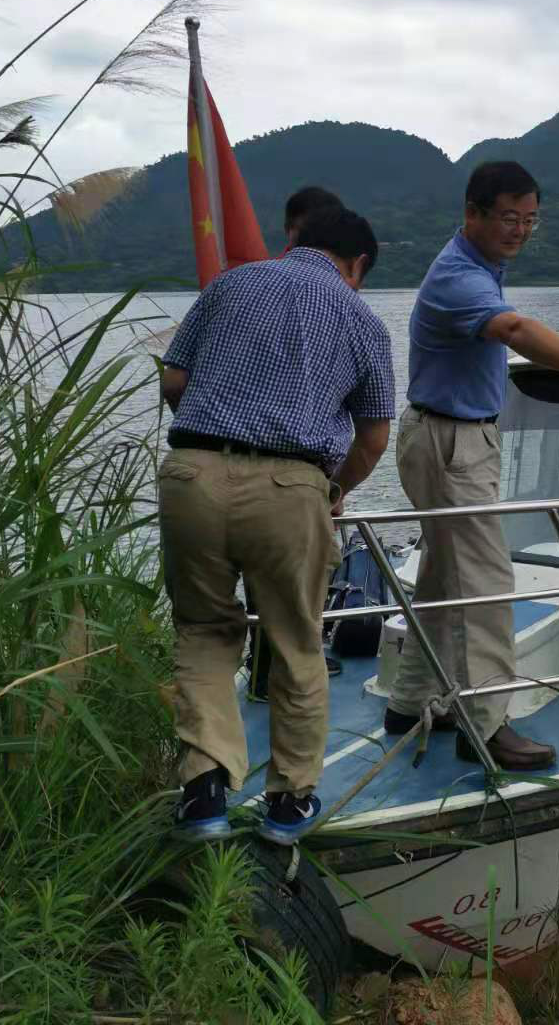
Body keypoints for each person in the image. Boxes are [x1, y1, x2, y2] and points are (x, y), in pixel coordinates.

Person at [385, 161, 559, 771]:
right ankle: (486, 725)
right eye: (509, 218)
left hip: (445, 434)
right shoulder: (459, 277)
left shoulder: (478, 267)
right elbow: (514, 327)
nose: (521, 230)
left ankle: (409, 699)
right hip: (452, 441)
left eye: (530, 220)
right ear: (472, 213)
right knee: (484, 585)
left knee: (442, 577)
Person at [158, 207, 395, 844]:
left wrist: (219, 438)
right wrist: (335, 490)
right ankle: (289, 804)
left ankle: (204, 794)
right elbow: (374, 437)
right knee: (295, 642)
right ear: (357, 264)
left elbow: (176, 379)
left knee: (204, 633)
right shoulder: (362, 320)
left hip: (193, 472)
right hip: (293, 486)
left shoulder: (229, 285)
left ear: (295, 241)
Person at [247, 182, 346, 698]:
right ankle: (273, 671)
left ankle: (271, 667)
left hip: (298, 465)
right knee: (280, 575)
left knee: (289, 574)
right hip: (284, 468)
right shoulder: (323, 300)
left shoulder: (255, 288)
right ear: (290, 231)